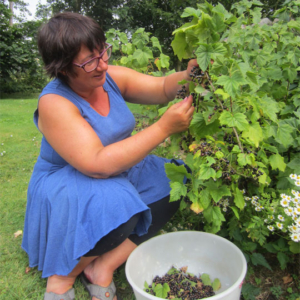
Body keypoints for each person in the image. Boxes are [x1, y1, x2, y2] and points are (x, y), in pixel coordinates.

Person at [21, 11, 196, 300]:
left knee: (173, 183)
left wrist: (189, 76)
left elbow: (163, 87)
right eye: (89, 60)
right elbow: (97, 164)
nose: (102, 64)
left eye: (102, 52)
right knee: (117, 205)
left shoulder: (109, 77)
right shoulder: (55, 102)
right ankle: (63, 276)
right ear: (63, 67)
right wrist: (164, 127)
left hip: (117, 166)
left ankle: (102, 267)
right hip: (68, 179)